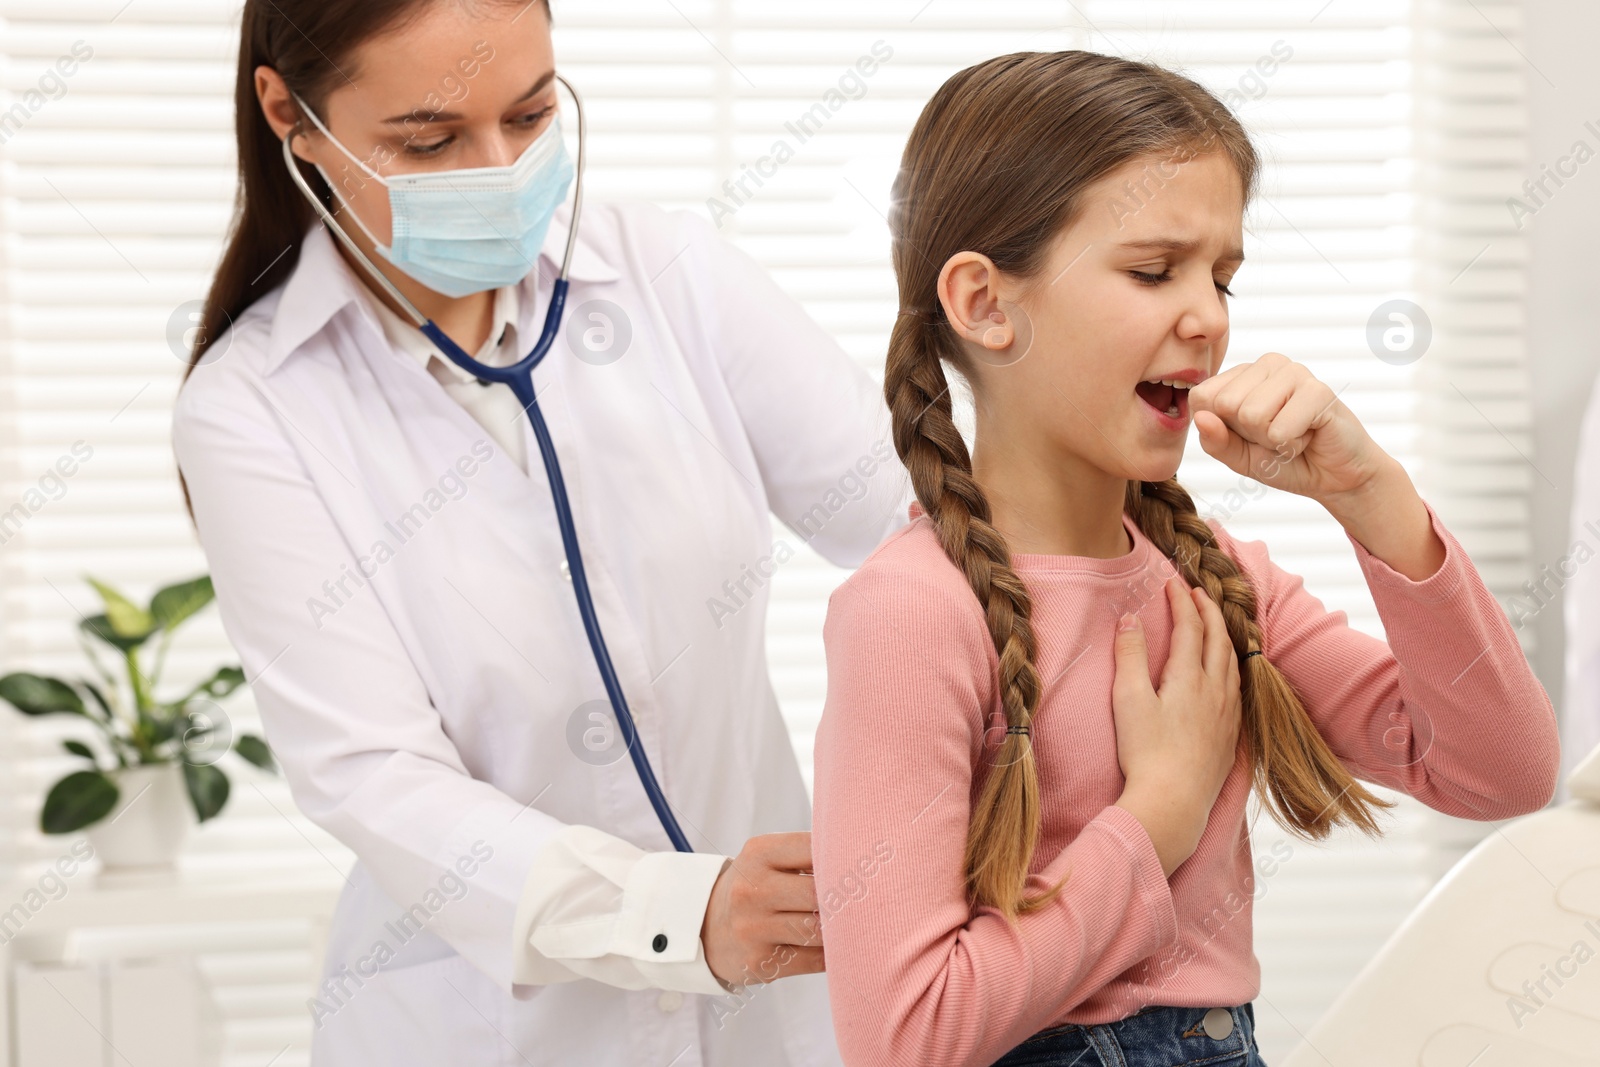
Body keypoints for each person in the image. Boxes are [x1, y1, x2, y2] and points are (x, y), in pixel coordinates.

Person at [170, 1, 910, 1064]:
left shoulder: (664, 276)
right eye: (427, 142)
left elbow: (908, 518)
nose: (498, 169)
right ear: (289, 113)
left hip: (776, 1022)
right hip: (485, 1031)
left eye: (527, 116)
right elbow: (372, 772)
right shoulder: (253, 410)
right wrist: (679, 912)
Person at [810, 50, 1563, 1067]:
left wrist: (1369, 495)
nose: (1208, 316)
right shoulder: (913, 611)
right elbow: (906, 1035)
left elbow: (1499, 772)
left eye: (1222, 276)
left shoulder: (1216, 582)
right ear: (986, 304)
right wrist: (1153, 821)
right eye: (1153, 270)